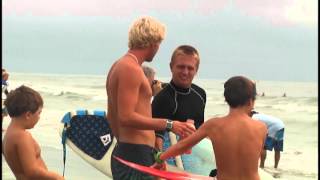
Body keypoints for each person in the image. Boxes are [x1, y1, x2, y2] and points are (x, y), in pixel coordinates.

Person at [106, 16, 195, 180]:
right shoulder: (130, 68)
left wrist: (153, 153)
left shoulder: (121, 65)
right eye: (159, 43)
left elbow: (111, 115)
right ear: (153, 42)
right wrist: (170, 124)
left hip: (136, 152)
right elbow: (125, 117)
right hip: (134, 155)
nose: (158, 48)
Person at [154, 76, 267, 180]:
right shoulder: (261, 128)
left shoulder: (214, 125)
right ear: (250, 101)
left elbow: (184, 146)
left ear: (226, 99)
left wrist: (161, 157)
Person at [151, 45, 207, 172]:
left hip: (190, 158)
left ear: (196, 70)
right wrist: (159, 164)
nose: (185, 72)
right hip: (169, 160)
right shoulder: (162, 98)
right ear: (171, 67)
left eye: (190, 68)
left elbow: (200, 127)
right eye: (181, 67)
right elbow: (156, 137)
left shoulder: (200, 94)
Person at [2, 85, 64, 180]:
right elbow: (32, 171)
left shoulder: (9, 135)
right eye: (39, 113)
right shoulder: (22, 136)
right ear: (28, 115)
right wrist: (57, 177)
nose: (39, 117)